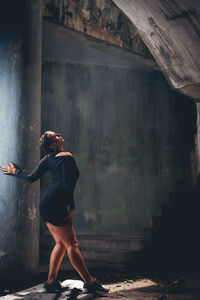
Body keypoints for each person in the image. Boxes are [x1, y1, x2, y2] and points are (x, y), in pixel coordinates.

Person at [0, 130, 108, 294]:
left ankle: (51, 282)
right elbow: (66, 185)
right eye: (55, 136)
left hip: (48, 204)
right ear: (52, 144)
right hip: (57, 204)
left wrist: (16, 172)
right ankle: (90, 282)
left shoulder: (48, 159)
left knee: (61, 243)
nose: (59, 135)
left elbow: (30, 178)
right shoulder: (66, 157)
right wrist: (70, 207)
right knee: (72, 244)